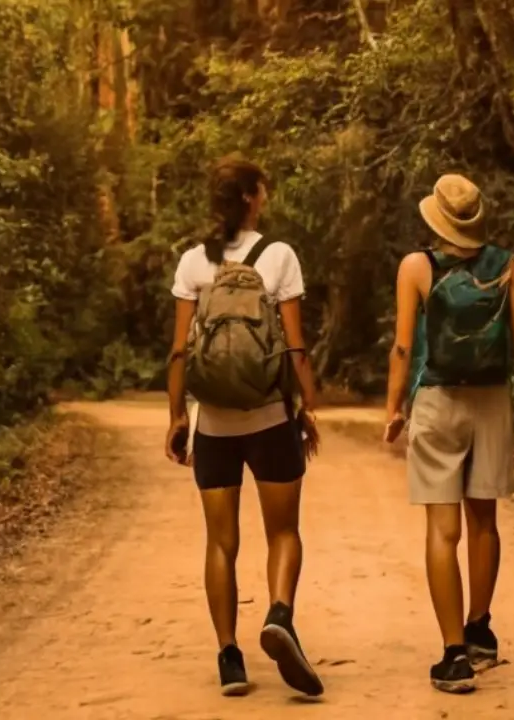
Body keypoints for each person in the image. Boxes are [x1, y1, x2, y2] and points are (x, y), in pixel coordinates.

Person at [383, 173, 514, 694]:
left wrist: (392, 406)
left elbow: (402, 348)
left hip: (437, 401)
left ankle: (454, 655)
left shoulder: (417, 267)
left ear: (435, 217)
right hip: (492, 401)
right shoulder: (507, 266)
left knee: (443, 530)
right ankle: (481, 628)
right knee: (484, 522)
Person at [164, 156, 324, 698]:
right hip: (270, 417)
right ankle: (279, 613)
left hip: (215, 425)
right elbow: (295, 345)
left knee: (221, 541)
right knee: (283, 530)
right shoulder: (278, 256)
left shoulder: (192, 263)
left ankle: (230, 656)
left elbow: (179, 350)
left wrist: (176, 416)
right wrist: (307, 407)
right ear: (254, 196)